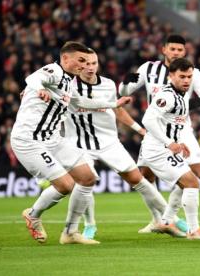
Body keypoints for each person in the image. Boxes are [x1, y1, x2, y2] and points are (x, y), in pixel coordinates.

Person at [119, 34, 200, 233]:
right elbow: (124, 91)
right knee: (146, 176)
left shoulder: (192, 72)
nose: (176, 53)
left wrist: (190, 104)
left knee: (199, 173)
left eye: (180, 50)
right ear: (164, 49)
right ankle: (160, 219)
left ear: (185, 51)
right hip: (156, 131)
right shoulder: (148, 69)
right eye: (172, 49)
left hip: (181, 131)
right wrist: (126, 84)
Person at [12, 41, 130, 245]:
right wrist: (40, 89)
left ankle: (70, 232)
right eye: (80, 60)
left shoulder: (68, 81)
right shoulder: (54, 71)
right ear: (65, 58)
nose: (84, 66)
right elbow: (33, 78)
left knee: (87, 177)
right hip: (30, 140)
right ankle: (33, 215)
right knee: (65, 185)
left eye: (87, 61)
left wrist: (113, 104)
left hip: (53, 139)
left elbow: (81, 102)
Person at [61, 51, 175, 239]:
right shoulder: (68, 85)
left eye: (94, 63)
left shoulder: (106, 84)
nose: (90, 67)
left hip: (108, 142)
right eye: (86, 63)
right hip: (78, 142)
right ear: (79, 64)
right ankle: (89, 225)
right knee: (85, 183)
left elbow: (118, 110)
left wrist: (139, 129)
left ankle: (168, 219)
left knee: (138, 179)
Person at [139, 57, 200, 239]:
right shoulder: (166, 96)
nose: (186, 81)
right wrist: (169, 142)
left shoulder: (181, 97)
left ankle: (166, 222)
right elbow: (147, 120)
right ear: (171, 76)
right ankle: (194, 230)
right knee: (191, 183)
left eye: (189, 77)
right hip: (157, 150)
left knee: (184, 185)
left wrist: (180, 143)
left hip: (165, 148)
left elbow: (173, 123)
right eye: (182, 76)